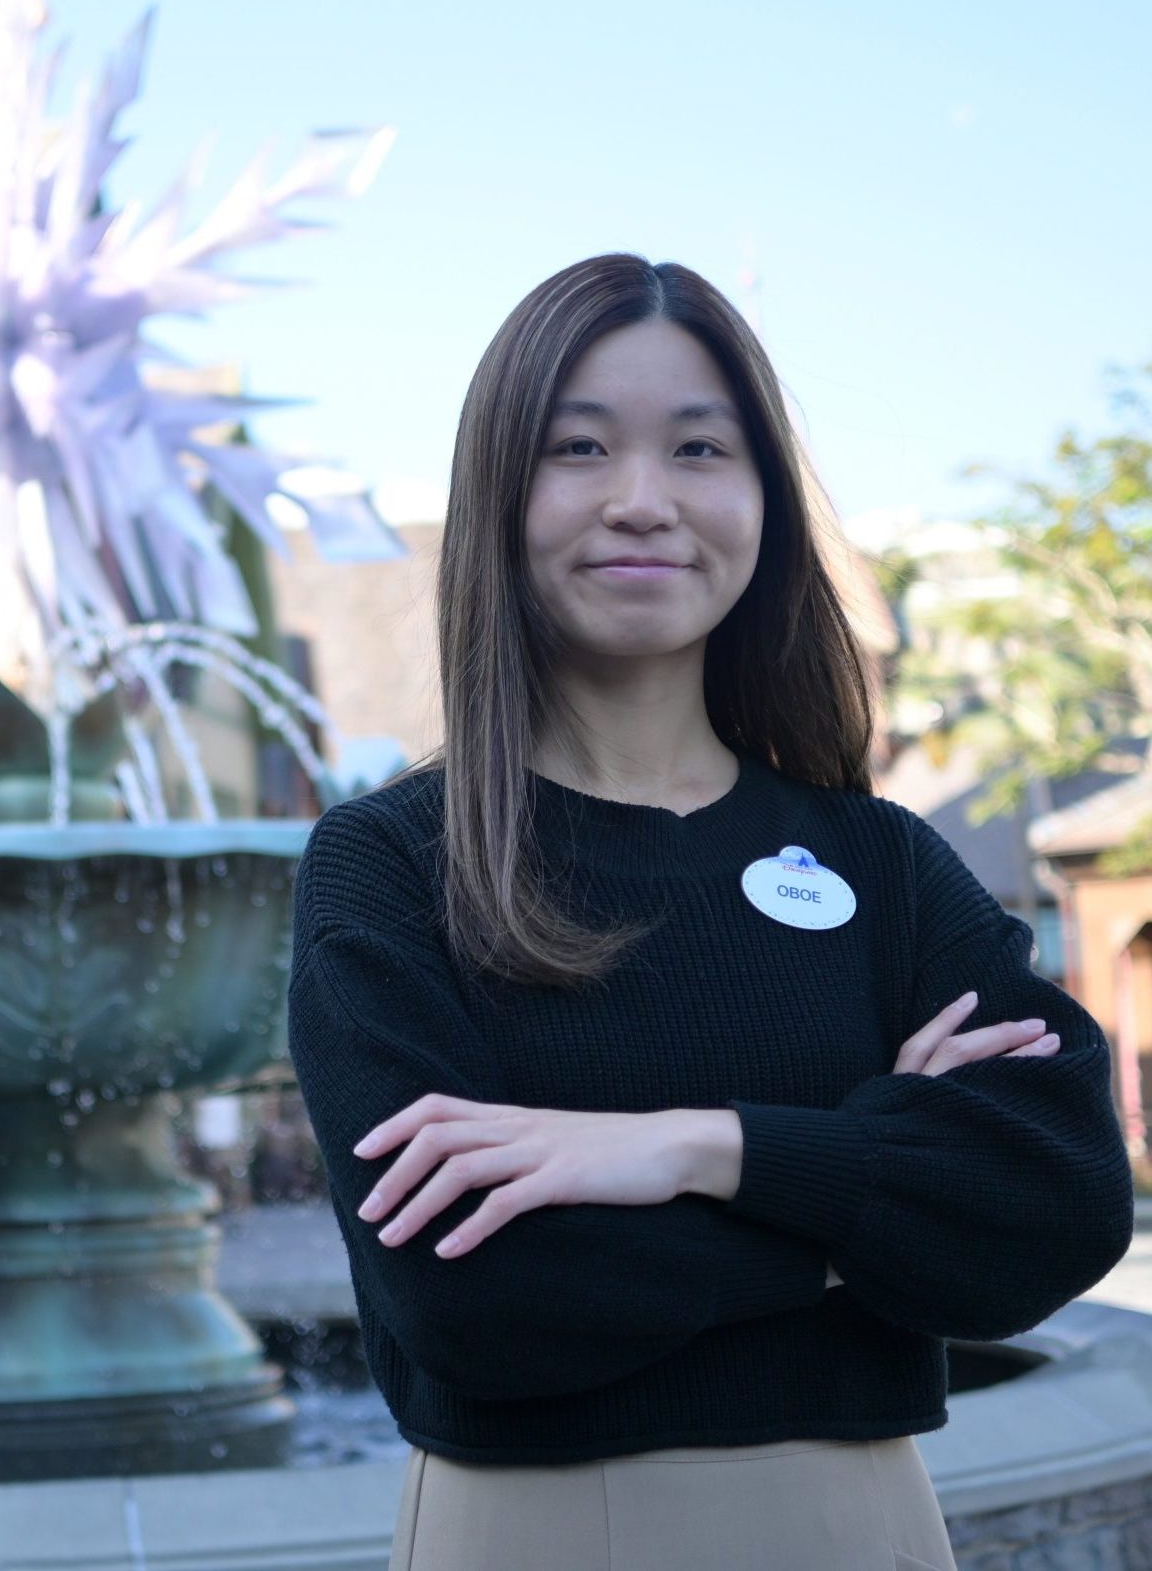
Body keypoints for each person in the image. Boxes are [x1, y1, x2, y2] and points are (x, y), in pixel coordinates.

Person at [283, 253, 1135, 1571]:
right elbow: (474, 1303)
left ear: (764, 503)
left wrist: (694, 1149)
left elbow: (1061, 1197)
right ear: (501, 497)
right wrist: (868, 1209)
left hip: (868, 1527)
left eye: (698, 449)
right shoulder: (393, 863)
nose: (642, 502)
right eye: (580, 449)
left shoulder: (881, 862)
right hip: (537, 1532)